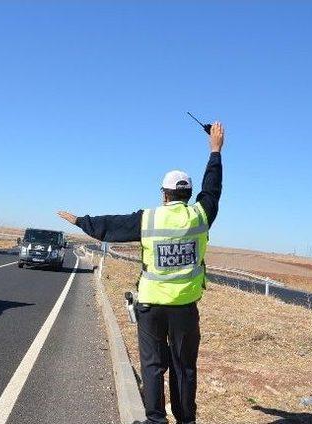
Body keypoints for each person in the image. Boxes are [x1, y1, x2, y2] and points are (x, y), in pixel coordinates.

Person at [57, 122, 224, 424]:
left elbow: (112, 225)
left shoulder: (148, 219)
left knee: (153, 365)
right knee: (184, 367)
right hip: (185, 307)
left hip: (151, 306)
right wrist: (215, 151)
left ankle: (155, 420)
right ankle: (186, 420)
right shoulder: (201, 216)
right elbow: (212, 189)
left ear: (165, 194)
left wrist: (81, 221)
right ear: (187, 195)